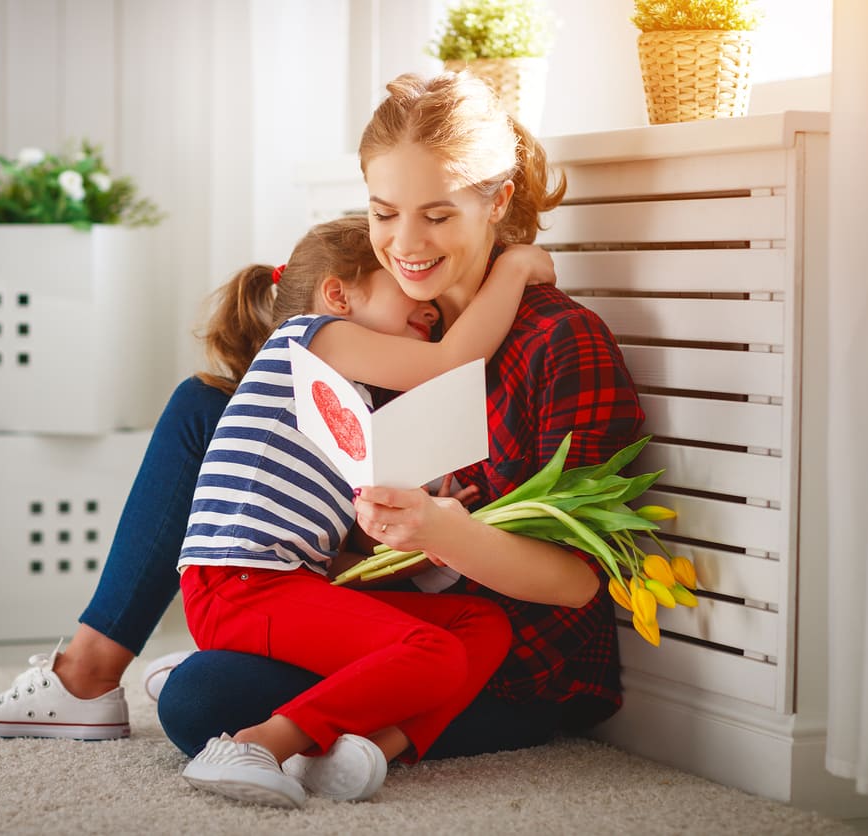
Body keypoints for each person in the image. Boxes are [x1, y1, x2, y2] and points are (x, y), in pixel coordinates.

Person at [157, 70, 644, 762]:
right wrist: (378, 545)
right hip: (395, 616)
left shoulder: (559, 343)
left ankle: (357, 740)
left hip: (508, 658)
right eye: (384, 213)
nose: (407, 242)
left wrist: (441, 532)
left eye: (437, 215)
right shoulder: (394, 340)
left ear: (497, 202)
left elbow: (574, 582)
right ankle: (91, 665)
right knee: (199, 408)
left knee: (202, 697)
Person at [175, 215, 553, 808]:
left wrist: (422, 535)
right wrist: (515, 267)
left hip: (281, 581)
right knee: (434, 652)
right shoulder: (312, 336)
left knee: (481, 625)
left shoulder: (350, 401)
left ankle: (372, 746)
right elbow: (453, 360)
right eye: (408, 289)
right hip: (240, 583)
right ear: (339, 293)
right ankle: (261, 743)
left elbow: (339, 546)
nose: (429, 309)